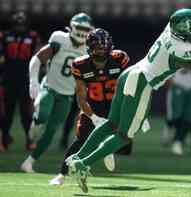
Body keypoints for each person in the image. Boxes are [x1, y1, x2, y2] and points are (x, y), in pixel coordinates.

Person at [68, 8, 191, 193]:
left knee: (111, 123)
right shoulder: (182, 50)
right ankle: (82, 164)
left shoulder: (172, 29)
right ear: (186, 31)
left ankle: (77, 157)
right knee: (124, 136)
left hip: (130, 74)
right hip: (143, 84)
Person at [49, 28, 131, 185]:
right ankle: (62, 174)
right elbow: (81, 97)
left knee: (125, 144)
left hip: (116, 104)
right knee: (81, 140)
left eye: (104, 46)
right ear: (90, 47)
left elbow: (130, 86)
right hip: (93, 106)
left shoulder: (120, 58)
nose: (101, 50)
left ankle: (105, 146)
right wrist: (94, 118)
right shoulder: (81, 65)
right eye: (98, 47)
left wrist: (133, 108)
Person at [20, 13, 94, 173]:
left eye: (85, 29)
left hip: (67, 96)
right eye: (79, 28)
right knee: (43, 116)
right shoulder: (60, 39)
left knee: (51, 131)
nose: (81, 32)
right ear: (72, 27)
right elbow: (37, 58)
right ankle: (35, 123)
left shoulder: (88, 49)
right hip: (50, 88)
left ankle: (29, 162)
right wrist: (33, 81)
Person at [0, 11, 41, 150]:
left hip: (25, 79)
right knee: (7, 113)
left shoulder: (33, 36)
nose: (19, 27)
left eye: (21, 24)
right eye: (17, 24)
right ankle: (4, 140)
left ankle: (29, 141)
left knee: (26, 114)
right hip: (8, 79)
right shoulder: (4, 36)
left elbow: (38, 56)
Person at [169, 70, 191, 155]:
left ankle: (178, 141)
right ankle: (175, 135)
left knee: (190, 118)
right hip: (179, 85)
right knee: (176, 117)